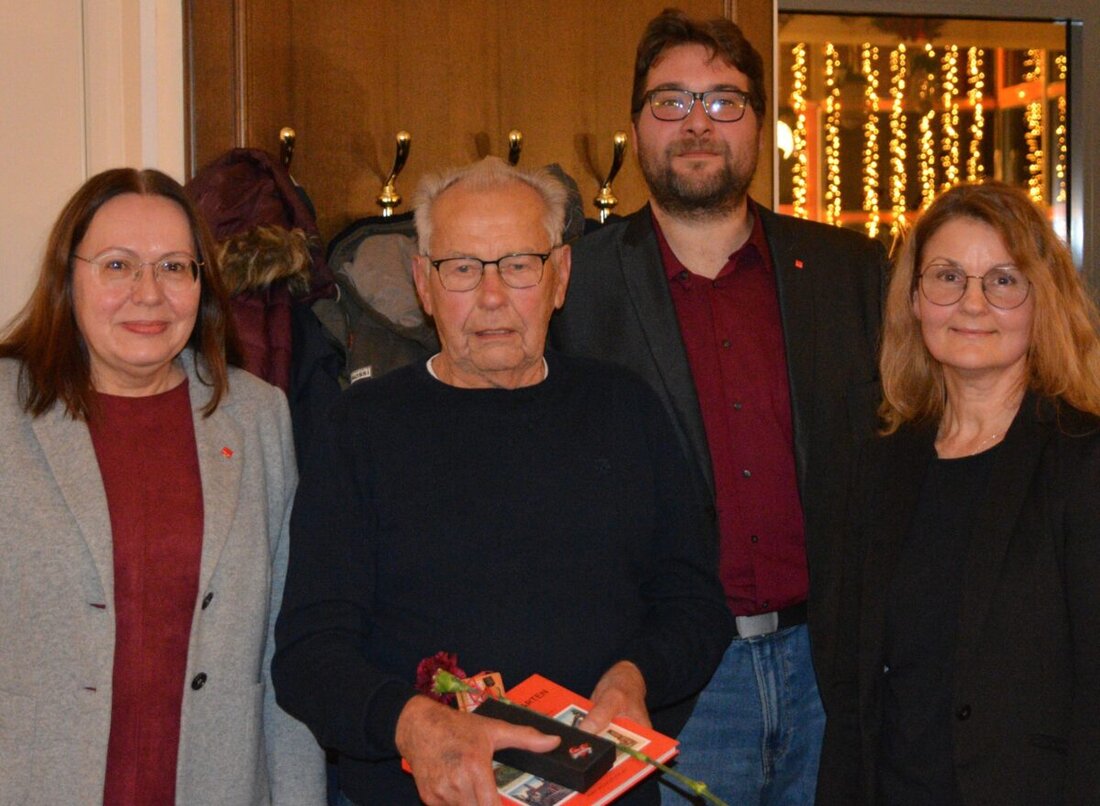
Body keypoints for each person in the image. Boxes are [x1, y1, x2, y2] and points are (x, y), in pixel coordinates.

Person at [272, 156, 732, 806]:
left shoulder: (625, 408)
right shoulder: (359, 427)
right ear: (423, 285)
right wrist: (413, 724)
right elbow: (309, 652)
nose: (491, 297)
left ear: (560, 277)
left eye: (518, 265)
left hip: (601, 790)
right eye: (461, 268)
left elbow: (693, 604)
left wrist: (639, 677)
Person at [550, 9, 887, 804]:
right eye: (672, 101)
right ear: (634, 126)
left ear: (759, 126)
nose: (698, 123)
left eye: (723, 102)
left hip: (829, 672)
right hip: (663, 684)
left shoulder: (850, 273)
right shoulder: (571, 284)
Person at [0, 168, 325, 805]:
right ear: (69, 277)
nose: (149, 294)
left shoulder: (257, 417)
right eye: (118, 266)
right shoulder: (7, 416)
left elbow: (282, 649)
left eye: (174, 267)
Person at [817, 181, 1100, 805]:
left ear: (1040, 300)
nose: (973, 304)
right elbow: (849, 685)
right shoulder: (876, 458)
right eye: (947, 277)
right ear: (915, 300)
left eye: (1002, 280)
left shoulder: (1083, 461)